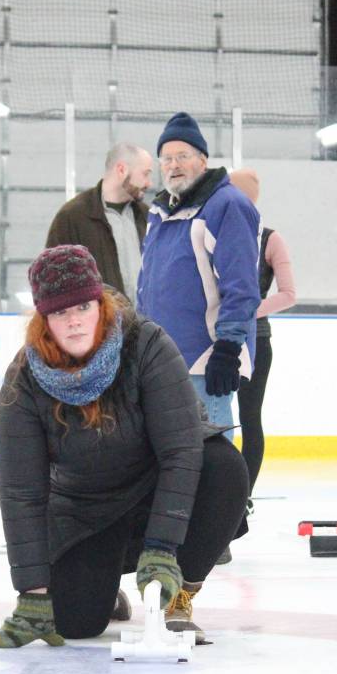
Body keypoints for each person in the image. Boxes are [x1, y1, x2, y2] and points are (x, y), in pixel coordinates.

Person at [0, 244, 249, 650]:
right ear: (43, 320)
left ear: (100, 304)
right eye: (59, 313)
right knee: (74, 623)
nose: (73, 323)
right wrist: (33, 592)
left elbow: (181, 452)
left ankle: (179, 595)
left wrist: (162, 547)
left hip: (157, 490)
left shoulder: (146, 344)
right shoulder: (24, 379)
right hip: (86, 509)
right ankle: (104, 586)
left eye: (82, 308)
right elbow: (21, 492)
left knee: (223, 466)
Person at [137, 112, 261, 435]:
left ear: (202, 161)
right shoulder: (160, 211)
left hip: (205, 360)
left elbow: (242, 286)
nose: (173, 165)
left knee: (210, 460)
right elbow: (146, 283)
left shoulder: (227, 205)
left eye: (183, 156)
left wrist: (228, 349)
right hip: (160, 359)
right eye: (167, 158)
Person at [229, 168, 297, 511]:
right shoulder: (215, 234)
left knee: (249, 417)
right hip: (213, 339)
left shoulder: (270, 239)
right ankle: (221, 491)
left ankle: (243, 496)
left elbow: (288, 294)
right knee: (215, 417)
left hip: (255, 341)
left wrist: (250, 309)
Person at [46, 143, 153, 304]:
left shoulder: (149, 217)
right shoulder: (72, 217)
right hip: (100, 327)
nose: (149, 183)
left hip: (147, 326)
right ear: (122, 170)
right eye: (145, 174)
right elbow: (53, 280)